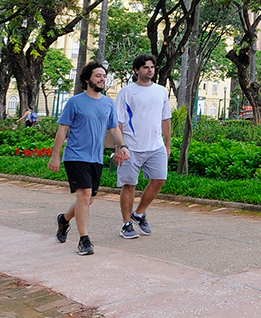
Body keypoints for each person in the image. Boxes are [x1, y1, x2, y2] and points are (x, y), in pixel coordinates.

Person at [48, 62, 124, 257]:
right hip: (75, 156)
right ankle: (84, 240)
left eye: (104, 76)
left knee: (88, 199)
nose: (102, 79)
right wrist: (55, 156)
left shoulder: (108, 103)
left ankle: (64, 220)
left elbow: (114, 129)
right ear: (87, 79)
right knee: (84, 195)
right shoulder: (75, 102)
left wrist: (122, 146)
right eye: (98, 75)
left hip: (96, 158)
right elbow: (63, 129)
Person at [114, 54, 175, 239]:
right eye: (146, 67)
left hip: (155, 146)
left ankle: (139, 214)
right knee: (129, 185)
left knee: (159, 179)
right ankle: (126, 224)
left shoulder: (161, 91)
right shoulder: (126, 92)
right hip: (131, 147)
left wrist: (168, 143)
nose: (150, 70)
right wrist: (120, 147)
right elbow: (118, 122)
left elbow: (166, 119)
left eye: (152, 67)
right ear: (137, 70)